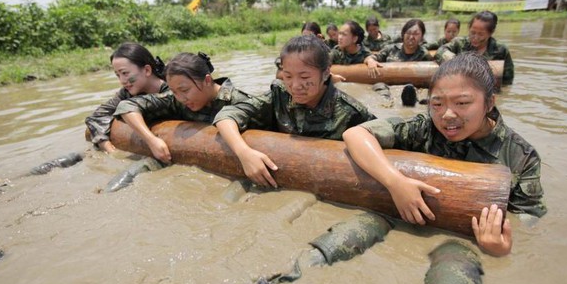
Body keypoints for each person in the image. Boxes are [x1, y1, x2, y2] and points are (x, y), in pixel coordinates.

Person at [343, 52, 546, 257]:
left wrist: (500, 249)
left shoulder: (521, 156)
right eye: (437, 104)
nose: (447, 115)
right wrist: (395, 182)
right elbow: (355, 134)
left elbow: (529, 222)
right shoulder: (425, 128)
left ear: (489, 103)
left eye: (462, 103)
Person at [214, 35, 376, 187]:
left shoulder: (352, 112)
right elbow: (226, 115)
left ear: (326, 73)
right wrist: (244, 153)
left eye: (305, 77)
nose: (295, 86)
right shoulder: (279, 95)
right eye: (288, 76)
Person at [113, 52, 260, 163]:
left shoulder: (240, 102)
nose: (181, 98)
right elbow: (127, 105)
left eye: (184, 90)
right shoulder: (176, 100)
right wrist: (151, 140)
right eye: (175, 92)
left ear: (207, 80)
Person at [85, 42, 167, 153]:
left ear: (147, 70)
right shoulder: (126, 94)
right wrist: (106, 146)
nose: (122, 81)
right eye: (118, 75)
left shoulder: (174, 89)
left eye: (125, 73)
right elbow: (97, 116)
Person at [435, 11, 515, 85]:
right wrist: (456, 61)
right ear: (469, 29)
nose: (475, 38)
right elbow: (441, 50)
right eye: (472, 32)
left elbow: (508, 81)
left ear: (491, 32)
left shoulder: (501, 50)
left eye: (481, 34)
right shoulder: (459, 43)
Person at [364, 19, 434, 78]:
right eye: (408, 33)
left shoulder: (424, 54)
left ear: (422, 37)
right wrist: (370, 61)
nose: (411, 37)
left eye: (416, 34)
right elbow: (370, 57)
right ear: (403, 34)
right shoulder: (390, 49)